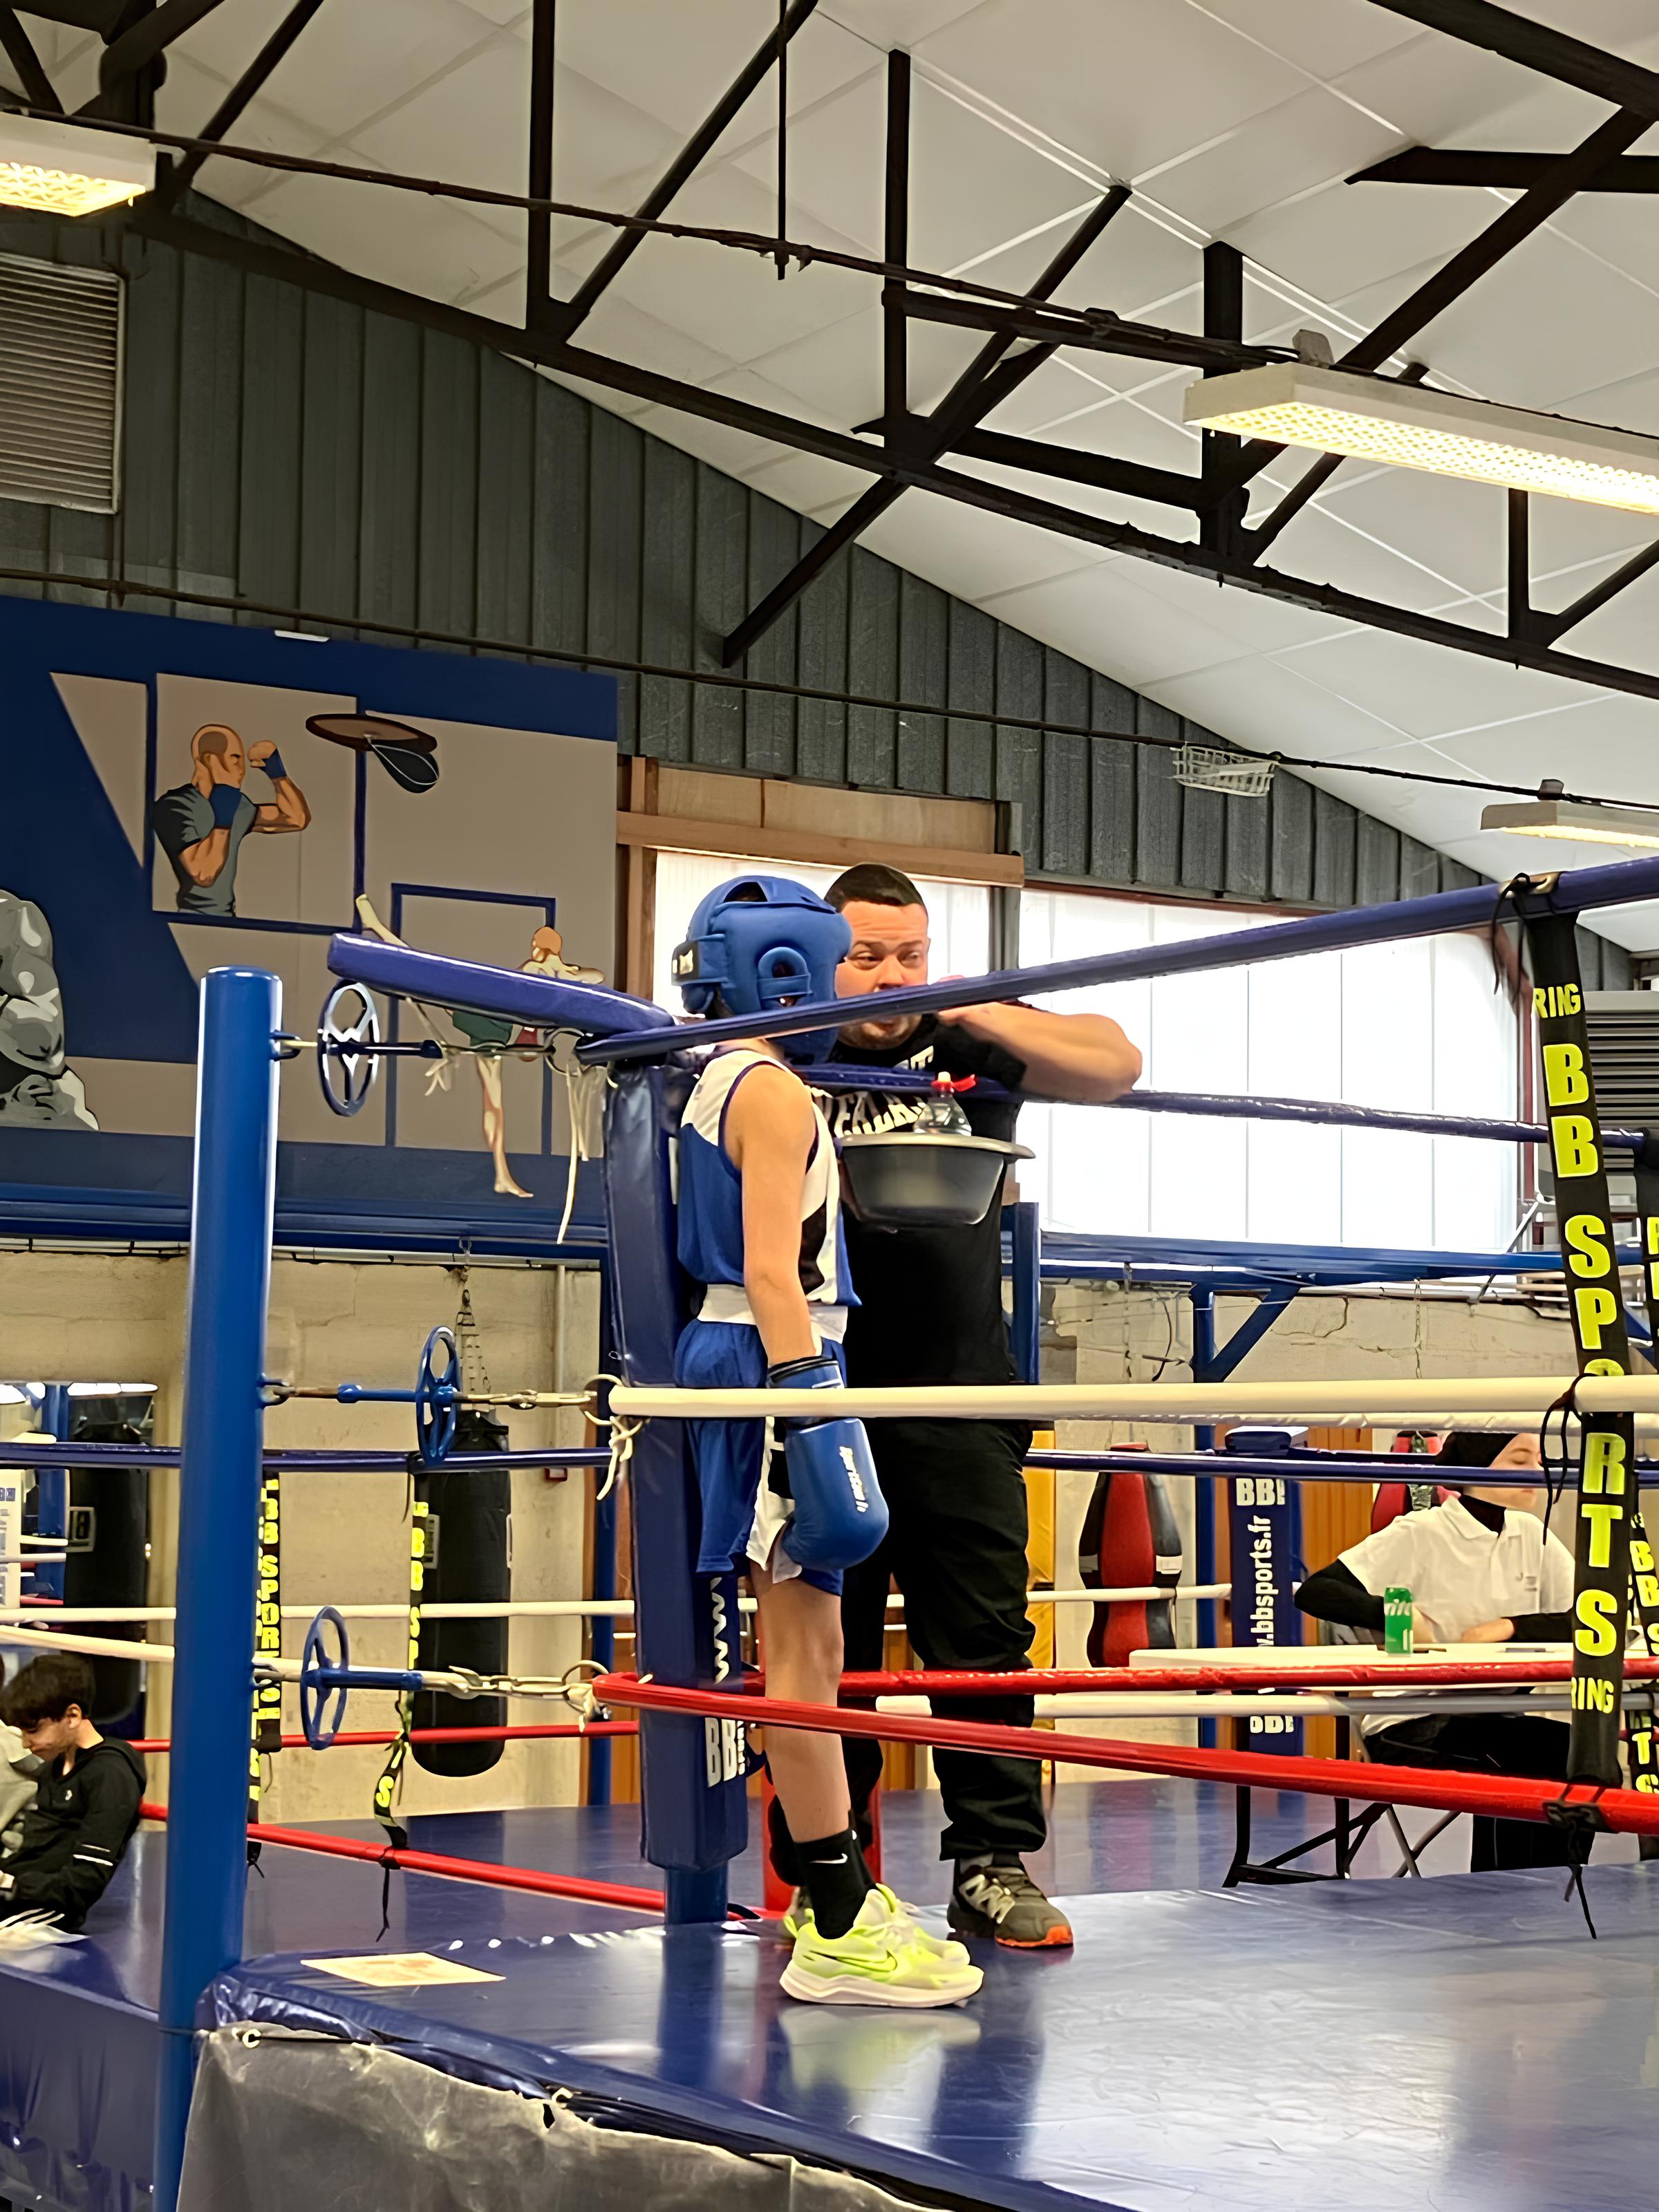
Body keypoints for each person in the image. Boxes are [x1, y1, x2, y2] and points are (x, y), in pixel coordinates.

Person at [780, 862, 1141, 1951]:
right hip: (819, 1388)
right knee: (825, 1641)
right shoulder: (790, 1048)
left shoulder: (970, 1043)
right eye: (867, 956)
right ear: (821, 952)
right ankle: (826, 1878)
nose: (889, 976)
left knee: (982, 1635)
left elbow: (1119, 1063)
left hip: (960, 1389)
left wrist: (965, 1004)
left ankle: (991, 1862)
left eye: (909, 954)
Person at [673, 873, 981, 2007]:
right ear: (789, 969)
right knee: (804, 1655)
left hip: (744, 1357)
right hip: (777, 1357)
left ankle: (836, 1889)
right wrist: (812, 1396)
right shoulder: (776, 1095)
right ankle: (839, 1917)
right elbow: (766, 1267)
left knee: (812, 1646)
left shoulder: (714, 1078)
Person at [1294, 1432, 1577, 1872]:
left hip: (1499, 1714)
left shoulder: (1532, 1533)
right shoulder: (1420, 1532)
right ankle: (1505, 1893)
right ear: (1475, 1470)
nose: (1537, 1474)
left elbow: (1587, 1615)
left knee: (1579, 1756)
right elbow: (1318, 1591)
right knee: (1519, 1759)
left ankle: (1555, 1887)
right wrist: (1398, 1615)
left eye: (1538, 1460)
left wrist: (1508, 1628)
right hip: (1411, 1721)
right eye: (1519, 1461)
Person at [0, 1653, 145, 1928]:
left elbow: (85, 1881)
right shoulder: (55, 1765)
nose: (27, 1743)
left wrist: (12, 1885)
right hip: (16, 1888)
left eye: (33, 1730)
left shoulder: (110, 1773)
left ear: (72, 1716)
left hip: (46, 1908)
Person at [153, 722, 311, 917]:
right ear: (210, 760)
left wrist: (277, 775)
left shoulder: (236, 805)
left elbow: (295, 818)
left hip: (228, 918)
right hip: (190, 920)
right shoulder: (176, 805)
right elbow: (203, 873)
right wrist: (224, 809)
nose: (242, 769)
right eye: (235, 758)